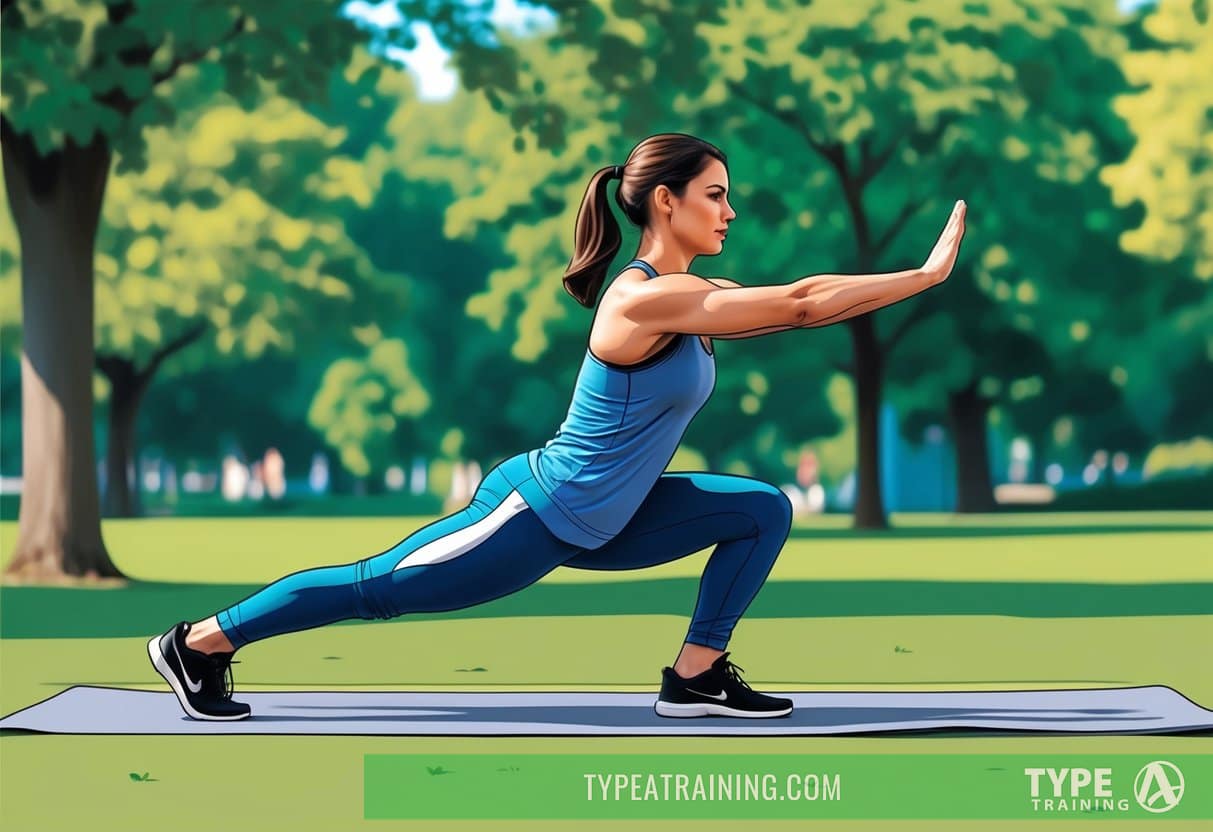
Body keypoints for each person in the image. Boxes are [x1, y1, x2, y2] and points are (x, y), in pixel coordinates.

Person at [148, 133, 967, 722]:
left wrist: (901, 280)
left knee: (762, 510)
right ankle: (199, 643)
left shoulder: (695, 292)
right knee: (377, 590)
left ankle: (695, 675)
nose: (730, 209)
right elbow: (798, 304)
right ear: (663, 200)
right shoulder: (640, 299)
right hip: (535, 515)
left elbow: (800, 292)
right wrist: (926, 277)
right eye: (715, 193)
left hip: (614, 517)